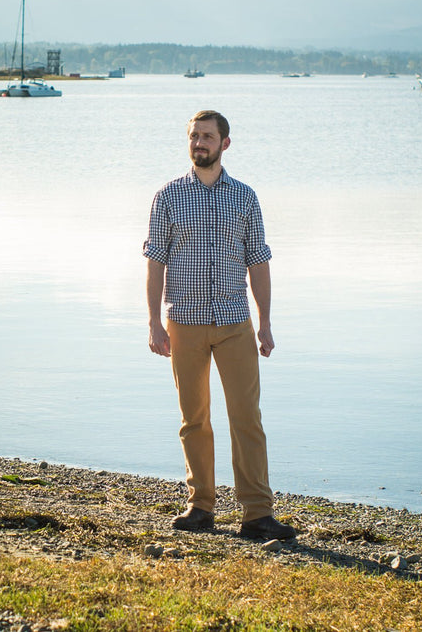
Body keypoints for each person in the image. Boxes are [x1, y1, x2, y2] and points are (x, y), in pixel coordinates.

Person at [143, 110, 296, 540]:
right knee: (194, 419)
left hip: (234, 324)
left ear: (225, 144)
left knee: (247, 418)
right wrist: (154, 322)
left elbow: (258, 262)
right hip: (184, 324)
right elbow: (155, 262)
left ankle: (257, 514)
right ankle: (200, 507)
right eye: (194, 136)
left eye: (208, 136)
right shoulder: (167, 196)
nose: (199, 143)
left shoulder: (245, 197)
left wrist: (265, 323)